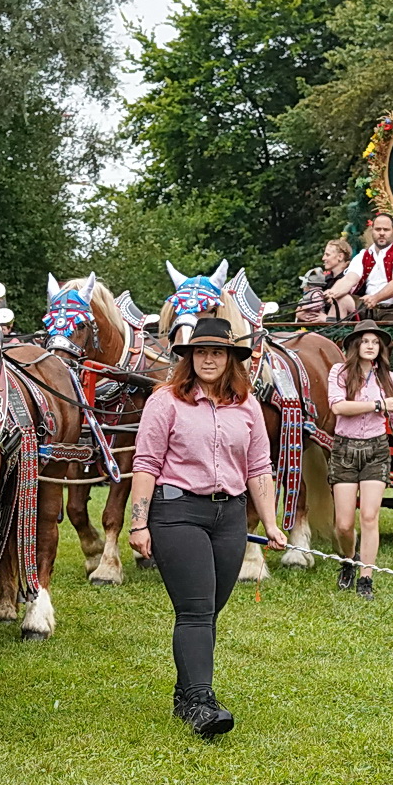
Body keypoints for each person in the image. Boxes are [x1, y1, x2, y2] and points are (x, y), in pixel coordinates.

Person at [128, 316, 287, 740]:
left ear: (231, 358)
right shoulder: (165, 401)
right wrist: (139, 523)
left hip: (230, 517)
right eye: (201, 352)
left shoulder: (248, 405)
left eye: (217, 352)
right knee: (196, 611)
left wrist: (270, 523)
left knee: (210, 610)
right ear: (189, 357)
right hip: (177, 513)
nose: (209, 359)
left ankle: (186, 693)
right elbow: (145, 464)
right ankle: (200, 702)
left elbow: (259, 468)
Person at [327, 322, 393, 598]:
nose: (370, 346)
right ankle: (348, 558)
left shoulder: (389, 380)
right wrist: (376, 405)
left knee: (369, 516)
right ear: (356, 345)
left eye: (375, 342)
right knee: (343, 524)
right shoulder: (339, 372)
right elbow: (338, 406)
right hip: (344, 450)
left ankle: (366, 578)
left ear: (380, 349)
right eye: (365, 341)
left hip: (376, 450)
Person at [328, 213, 393, 323]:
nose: (381, 233)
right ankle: (332, 337)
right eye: (378, 229)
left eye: (386, 230)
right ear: (372, 230)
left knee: (386, 335)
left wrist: (376, 298)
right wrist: (333, 292)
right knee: (340, 299)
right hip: (368, 306)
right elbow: (349, 279)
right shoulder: (364, 255)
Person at [298, 238, 355, 322]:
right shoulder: (324, 280)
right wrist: (300, 313)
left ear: (340, 257)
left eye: (327, 255)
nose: (323, 258)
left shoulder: (353, 279)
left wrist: (327, 319)